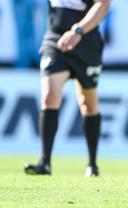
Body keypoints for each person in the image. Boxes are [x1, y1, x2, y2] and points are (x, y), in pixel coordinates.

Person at [24, 0, 111, 177]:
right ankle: (45, 162)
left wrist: (78, 30)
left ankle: (92, 164)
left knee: (88, 103)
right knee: (49, 95)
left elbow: (103, 4)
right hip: (55, 38)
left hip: (86, 41)